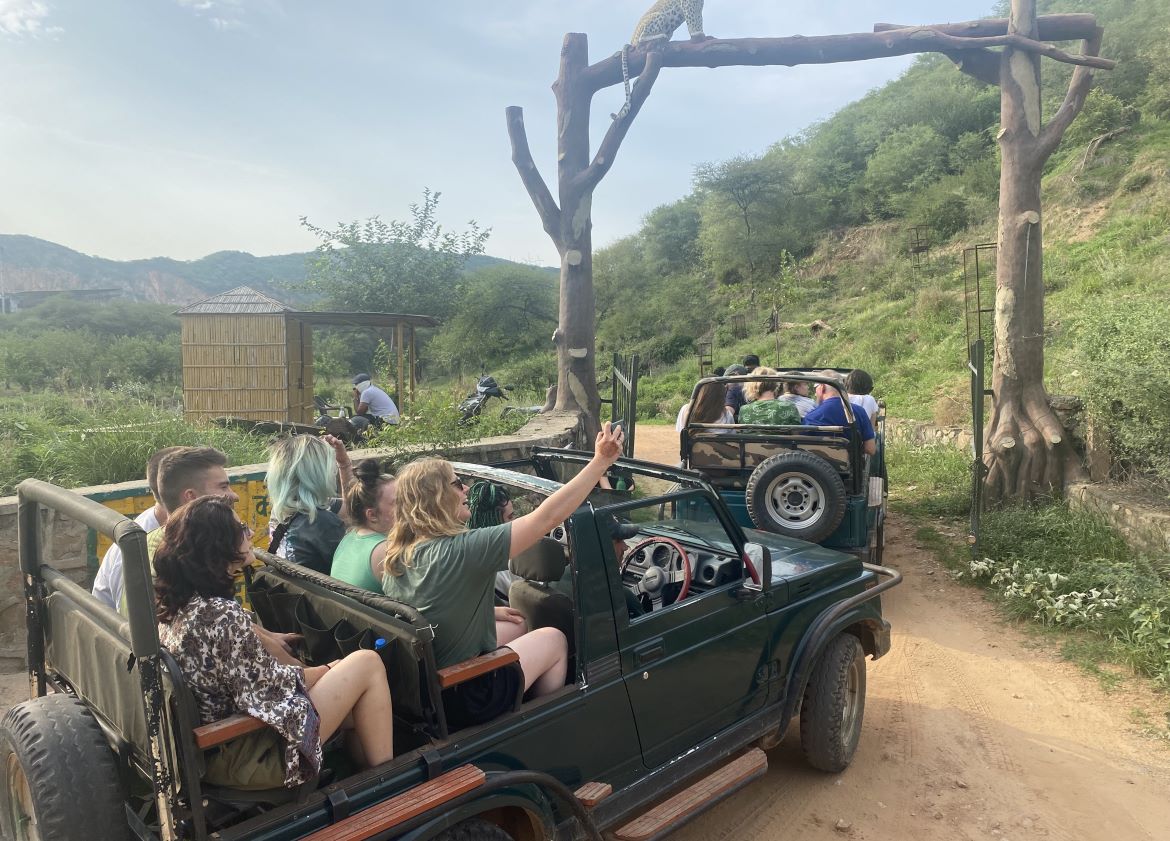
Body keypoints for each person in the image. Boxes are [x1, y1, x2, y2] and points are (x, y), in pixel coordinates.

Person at [382, 423, 624, 723]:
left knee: (517, 625)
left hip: (431, 687)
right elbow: (546, 517)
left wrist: (492, 611)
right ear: (438, 497)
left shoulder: (397, 555)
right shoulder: (463, 550)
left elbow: (432, 606)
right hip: (467, 695)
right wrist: (600, 462)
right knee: (553, 638)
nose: (466, 489)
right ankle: (545, 723)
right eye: (458, 484)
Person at [155, 496, 393, 789]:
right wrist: (329, 668)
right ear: (218, 545)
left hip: (222, 747)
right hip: (250, 754)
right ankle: (388, 785)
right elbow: (274, 688)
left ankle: (366, 778)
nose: (250, 533)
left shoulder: (181, 605)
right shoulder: (219, 616)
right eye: (241, 528)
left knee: (359, 695)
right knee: (366, 662)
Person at [92, 445, 184, 610]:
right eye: (221, 486)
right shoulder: (136, 546)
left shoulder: (177, 531)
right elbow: (130, 622)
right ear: (188, 494)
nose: (231, 495)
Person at [267, 435, 352, 575]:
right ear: (318, 473)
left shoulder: (282, 510)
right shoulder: (321, 521)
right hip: (325, 595)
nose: (333, 471)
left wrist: (344, 465)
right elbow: (352, 573)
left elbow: (351, 509)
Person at [465, 481, 529, 646]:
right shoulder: (506, 561)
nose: (515, 521)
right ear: (495, 521)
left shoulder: (467, 546)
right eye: (510, 517)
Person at [331, 459, 396, 593]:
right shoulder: (386, 551)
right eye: (397, 502)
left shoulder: (349, 537)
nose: (408, 505)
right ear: (372, 515)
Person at [804, 372, 877, 456]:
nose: (815, 393)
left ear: (822, 388)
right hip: (850, 467)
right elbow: (870, 449)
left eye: (815, 388)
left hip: (815, 467)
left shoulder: (811, 417)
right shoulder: (859, 412)